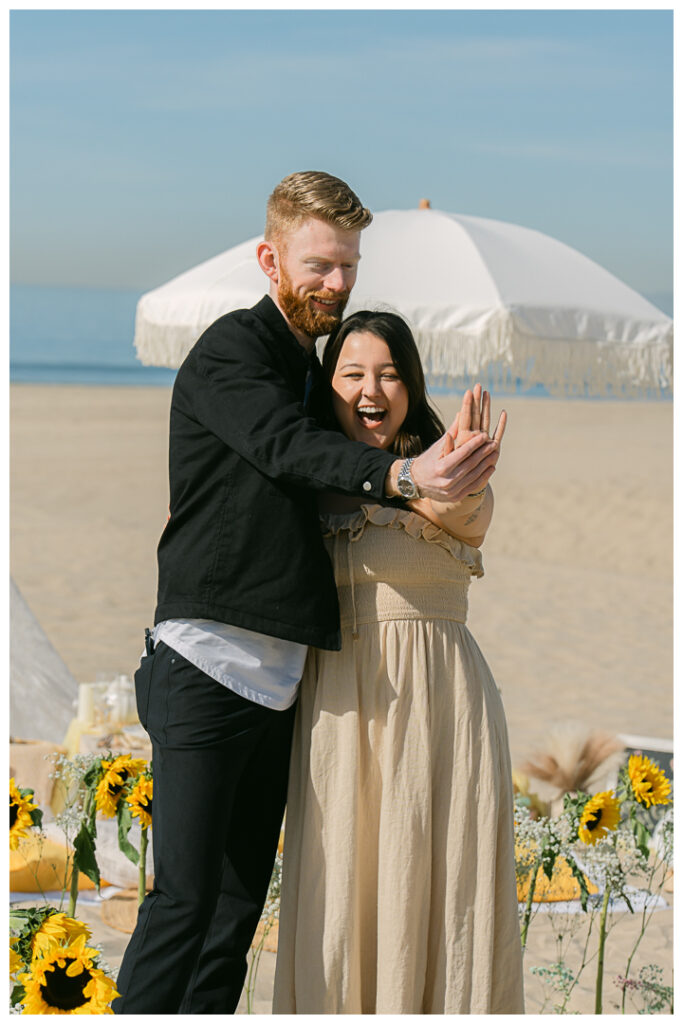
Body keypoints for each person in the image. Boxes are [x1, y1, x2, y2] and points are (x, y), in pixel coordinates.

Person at [112, 173, 503, 1014]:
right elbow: (286, 449)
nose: (336, 282)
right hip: (204, 665)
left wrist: (435, 472)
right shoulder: (233, 353)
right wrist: (400, 472)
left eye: (349, 266)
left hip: (283, 685)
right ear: (270, 257)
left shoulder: (313, 378)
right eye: (319, 264)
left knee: (232, 916)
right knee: (182, 903)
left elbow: (352, 469)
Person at [272, 310, 524, 1014]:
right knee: (342, 890)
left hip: (441, 701)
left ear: (410, 387)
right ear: (329, 386)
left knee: (443, 888)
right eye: (351, 373)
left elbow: (467, 513)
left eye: (387, 373)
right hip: (337, 706)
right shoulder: (307, 471)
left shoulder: (441, 468)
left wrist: (457, 473)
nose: (369, 388)